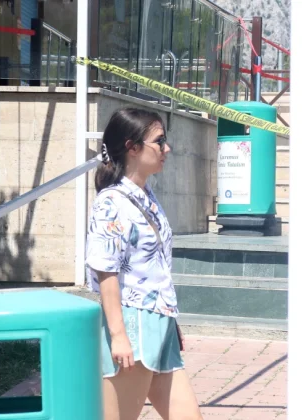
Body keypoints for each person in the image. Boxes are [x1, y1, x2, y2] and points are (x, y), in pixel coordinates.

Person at [85, 107, 203, 420]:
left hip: (159, 323)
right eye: (159, 141)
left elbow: (153, 268)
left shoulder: (145, 195)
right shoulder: (110, 202)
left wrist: (169, 319)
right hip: (133, 325)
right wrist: (119, 335)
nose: (167, 149)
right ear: (132, 147)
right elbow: (106, 272)